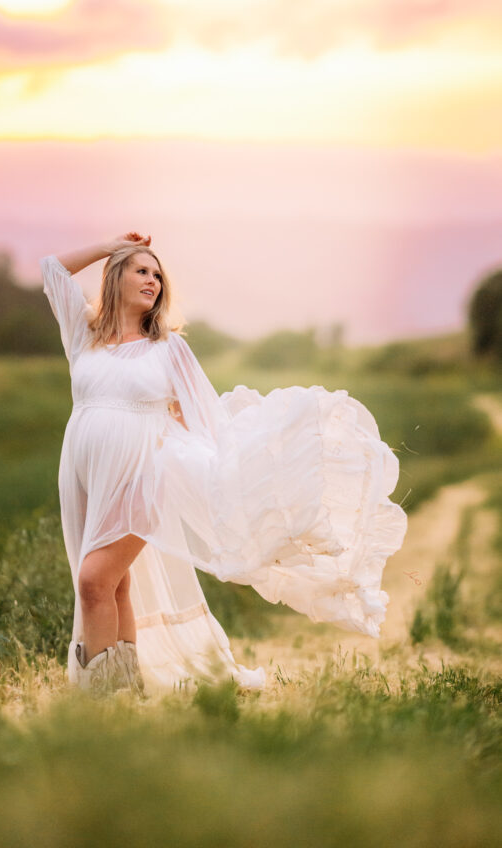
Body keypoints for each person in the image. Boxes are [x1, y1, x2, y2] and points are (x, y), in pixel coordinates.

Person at [40, 232, 407, 696]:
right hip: (86, 475)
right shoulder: (84, 336)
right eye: (141, 270)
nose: (153, 280)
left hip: (144, 476)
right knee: (116, 584)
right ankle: (126, 689)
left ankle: (97, 700)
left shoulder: (168, 349)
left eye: (158, 275)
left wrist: (225, 480)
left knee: (94, 581)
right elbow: (52, 268)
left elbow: (207, 424)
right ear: (115, 276)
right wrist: (112, 244)